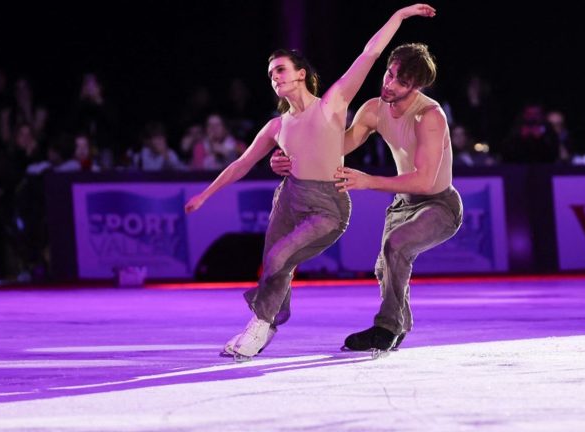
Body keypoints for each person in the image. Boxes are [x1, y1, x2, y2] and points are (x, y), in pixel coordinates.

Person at [185, 4, 436, 361]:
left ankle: (262, 322)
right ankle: (263, 322)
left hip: (329, 206)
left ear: (301, 73)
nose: (275, 76)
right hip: (289, 197)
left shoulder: (332, 104)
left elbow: (371, 52)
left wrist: (400, 15)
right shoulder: (277, 126)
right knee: (274, 261)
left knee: (279, 257)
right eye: (271, 73)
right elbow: (242, 163)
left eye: (282, 69)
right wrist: (205, 195)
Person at [271, 41, 463, 355]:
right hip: (402, 205)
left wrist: (367, 181)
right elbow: (338, 147)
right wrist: (289, 157)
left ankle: (387, 327)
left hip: (439, 205)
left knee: (396, 245)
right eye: (389, 74)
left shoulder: (429, 116)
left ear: (416, 86)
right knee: (385, 267)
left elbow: (426, 181)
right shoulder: (374, 109)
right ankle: (400, 325)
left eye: (402, 82)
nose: (390, 84)